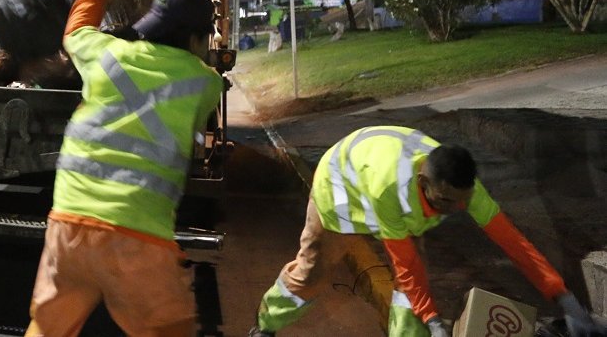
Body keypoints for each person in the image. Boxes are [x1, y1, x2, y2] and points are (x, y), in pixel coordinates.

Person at [26, 0, 225, 337]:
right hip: (138, 239)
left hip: (68, 227)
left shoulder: (106, 55)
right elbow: (198, 72)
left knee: (48, 330)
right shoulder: (205, 83)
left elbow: (76, 33)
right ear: (196, 39)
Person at [249, 125, 606, 337]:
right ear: (423, 184)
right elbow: (403, 262)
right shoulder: (390, 188)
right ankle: (266, 324)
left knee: (411, 289)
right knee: (313, 272)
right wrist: (435, 320)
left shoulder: (461, 189)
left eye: (462, 202)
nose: (457, 210)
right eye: (446, 202)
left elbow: (512, 241)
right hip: (342, 196)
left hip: (391, 191)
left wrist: (562, 296)